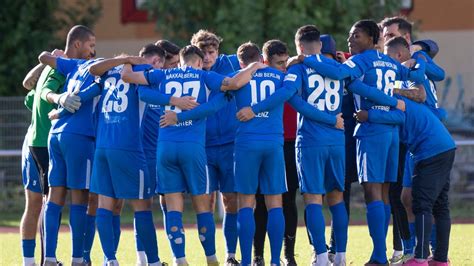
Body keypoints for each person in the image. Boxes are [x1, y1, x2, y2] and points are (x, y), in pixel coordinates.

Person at [121, 44, 265, 266]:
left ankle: (180, 259)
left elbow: (134, 83)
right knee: (201, 205)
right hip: (193, 147)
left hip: (166, 147)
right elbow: (234, 84)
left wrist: (171, 100)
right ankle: (211, 258)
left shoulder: (164, 74)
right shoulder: (205, 76)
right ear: (199, 62)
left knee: (173, 206)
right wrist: (254, 66)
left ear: (180, 60)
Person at [299, 20, 426, 265]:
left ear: (371, 37)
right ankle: (385, 251)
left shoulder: (358, 61)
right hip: (391, 131)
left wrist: (307, 59)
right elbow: (418, 81)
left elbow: (337, 74)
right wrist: (415, 62)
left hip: (371, 131)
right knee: (386, 193)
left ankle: (379, 255)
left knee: (372, 192)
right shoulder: (390, 61)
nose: (350, 40)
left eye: (355, 35)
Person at [355, 94, 455, 266]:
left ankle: (421, 258)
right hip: (445, 146)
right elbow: (437, 113)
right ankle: (440, 259)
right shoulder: (407, 101)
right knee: (440, 205)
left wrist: (368, 115)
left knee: (422, 205)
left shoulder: (395, 103)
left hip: (430, 151)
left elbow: (396, 116)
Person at [381, 16, 446, 262]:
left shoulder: (416, 59)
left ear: (406, 40)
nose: (383, 39)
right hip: (411, 140)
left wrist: (416, 59)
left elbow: (427, 82)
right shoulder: (401, 61)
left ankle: (432, 251)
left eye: (388, 35)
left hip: (428, 139)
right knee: (405, 197)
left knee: (427, 200)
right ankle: (413, 250)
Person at [37, 25, 98, 266]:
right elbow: (97, 87)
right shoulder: (93, 68)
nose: (93, 52)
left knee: (55, 197)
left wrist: (60, 109)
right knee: (80, 198)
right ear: (77, 44)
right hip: (78, 137)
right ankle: (77, 258)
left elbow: (42, 57)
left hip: (56, 135)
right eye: (90, 46)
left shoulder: (70, 65)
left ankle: (49, 258)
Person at [190, 30, 241, 265]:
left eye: (211, 52)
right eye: (203, 53)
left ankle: (231, 254)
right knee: (205, 203)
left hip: (231, 143)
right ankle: (210, 256)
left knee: (231, 200)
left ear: (217, 51)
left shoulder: (230, 62)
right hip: (203, 146)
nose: (208, 57)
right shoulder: (189, 71)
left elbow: (259, 58)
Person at [250, 39, 298, 266]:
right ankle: (258, 255)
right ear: (264, 61)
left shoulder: (289, 76)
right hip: (264, 143)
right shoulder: (252, 77)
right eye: (279, 63)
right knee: (259, 202)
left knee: (288, 201)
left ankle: (288, 254)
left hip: (289, 145)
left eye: (285, 62)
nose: (283, 67)